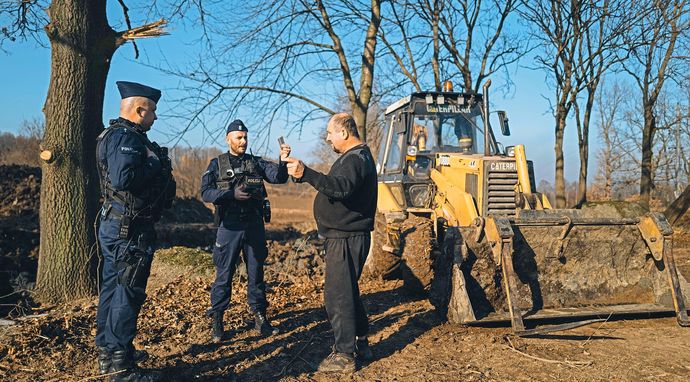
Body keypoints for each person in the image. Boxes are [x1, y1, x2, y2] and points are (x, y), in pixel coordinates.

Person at [95, 81, 176, 382]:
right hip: (128, 229)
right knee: (127, 292)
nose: (155, 117)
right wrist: (157, 166)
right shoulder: (126, 137)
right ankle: (120, 366)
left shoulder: (116, 135)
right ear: (140, 110)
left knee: (114, 288)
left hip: (118, 225)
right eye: (152, 111)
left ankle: (110, 352)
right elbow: (123, 178)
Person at [285, 113, 378, 374]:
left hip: (346, 238)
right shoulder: (356, 157)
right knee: (347, 291)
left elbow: (340, 188)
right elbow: (337, 188)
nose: (327, 138)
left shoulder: (355, 159)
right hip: (346, 236)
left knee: (338, 296)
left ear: (344, 133)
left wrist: (307, 173)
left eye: (329, 133)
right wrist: (301, 174)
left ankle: (345, 355)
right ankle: (361, 341)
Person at [201, 119, 291, 343]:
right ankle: (218, 319)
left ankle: (260, 316)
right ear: (228, 138)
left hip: (254, 226)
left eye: (245, 137)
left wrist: (283, 160)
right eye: (238, 137)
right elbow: (205, 193)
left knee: (256, 272)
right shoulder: (217, 164)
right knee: (224, 274)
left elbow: (279, 178)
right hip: (229, 227)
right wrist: (232, 195)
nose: (243, 141)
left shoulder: (256, 162)